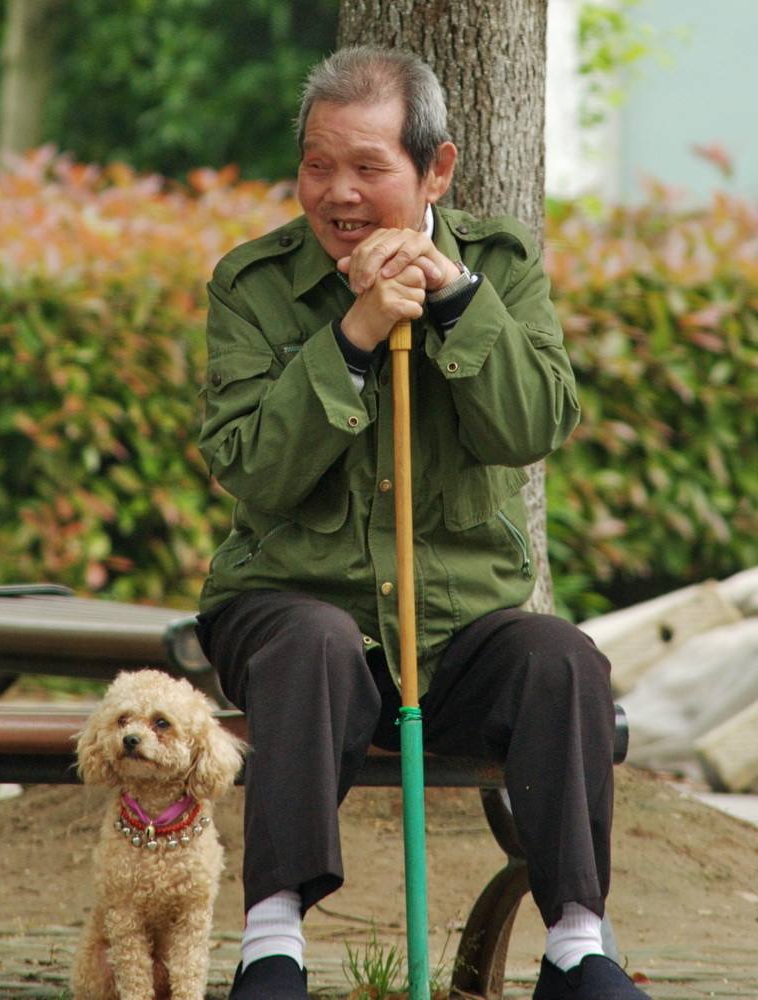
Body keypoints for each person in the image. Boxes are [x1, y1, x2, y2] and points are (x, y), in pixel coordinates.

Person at [195, 45, 650, 1000]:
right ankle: (271, 943)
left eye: (368, 167)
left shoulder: (500, 264)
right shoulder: (253, 283)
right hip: (289, 605)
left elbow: (533, 426)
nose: (339, 193)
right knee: (315, 644)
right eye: (319, 165)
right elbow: (251, 468)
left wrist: (457, 300)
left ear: (436, 169)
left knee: (562, 661)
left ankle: (578, 946)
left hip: (457, 624)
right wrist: (352, 338)